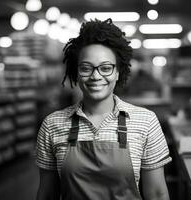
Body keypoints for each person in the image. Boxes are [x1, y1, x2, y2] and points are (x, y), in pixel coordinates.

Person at [35, 18, 172, 200]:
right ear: (76, 72)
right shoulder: (52, 125)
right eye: (86, 68)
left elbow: (157, 194)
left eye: (106, 68)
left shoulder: (145, 122)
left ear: (118, 72)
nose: (96, 76)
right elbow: (46, 194)